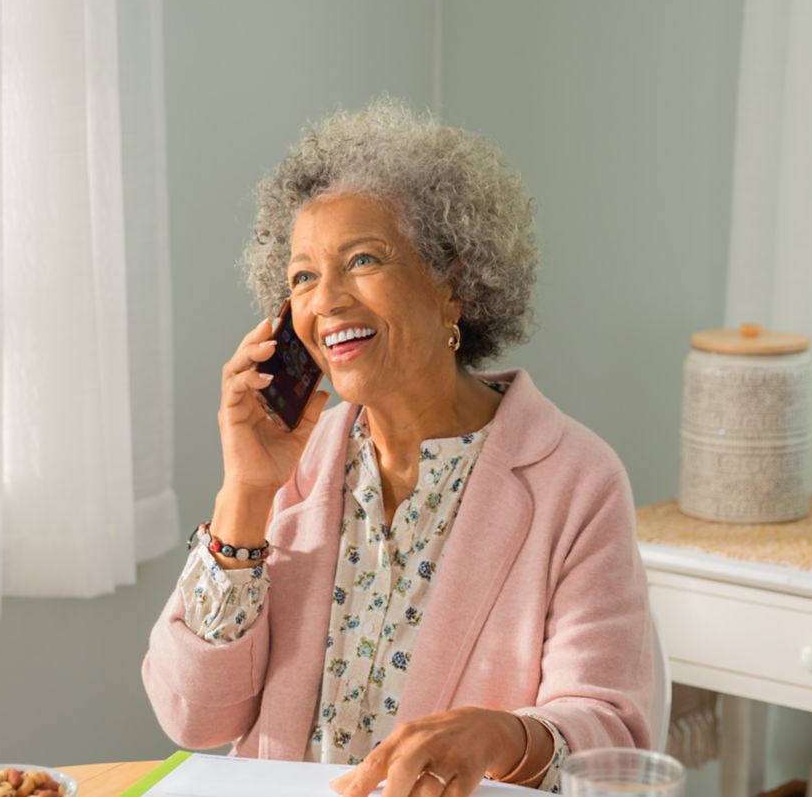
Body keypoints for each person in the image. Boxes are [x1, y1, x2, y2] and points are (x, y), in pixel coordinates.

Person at [141, 99, 653, 796]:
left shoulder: (575, 478)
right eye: (301, 277)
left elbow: (612, 735)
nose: (326, 301)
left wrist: (503, 733)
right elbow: (192, 716)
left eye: (362, 260)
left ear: (452, 283)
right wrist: (246, 490)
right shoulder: (297, 469)